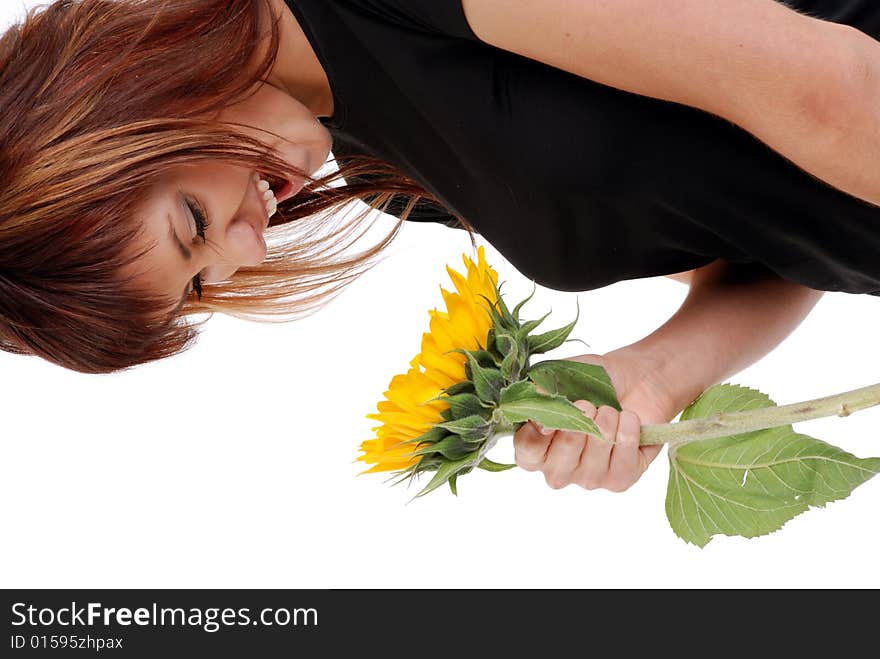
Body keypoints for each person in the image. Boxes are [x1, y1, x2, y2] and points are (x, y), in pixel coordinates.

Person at [0, 0, 877, 493]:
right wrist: (656, 374)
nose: (246, 257)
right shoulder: (384, 171)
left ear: (127, 95)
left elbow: (830, 87)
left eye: (192, 223)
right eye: (202, 286)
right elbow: (775, 239)